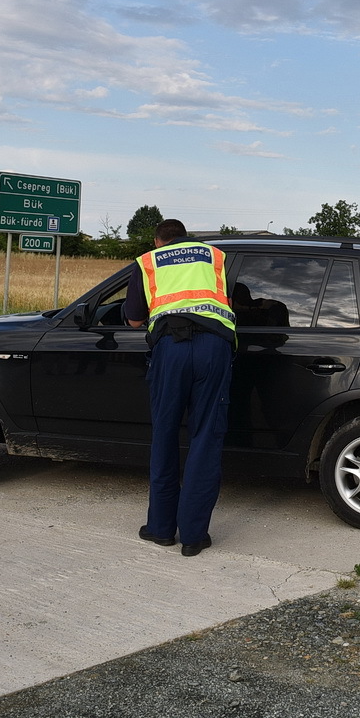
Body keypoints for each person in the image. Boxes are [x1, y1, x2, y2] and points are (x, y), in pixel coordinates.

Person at [123, 219, 237, 557]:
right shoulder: (215, 256)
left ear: (159, 240)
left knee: (165, 433)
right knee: (206, 436)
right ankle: (193, 536)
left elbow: (133, 319)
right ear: (186, 236)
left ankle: (160, 529)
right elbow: (230, 300)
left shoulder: (148, 262)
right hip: (214, 348)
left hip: (170, 350)